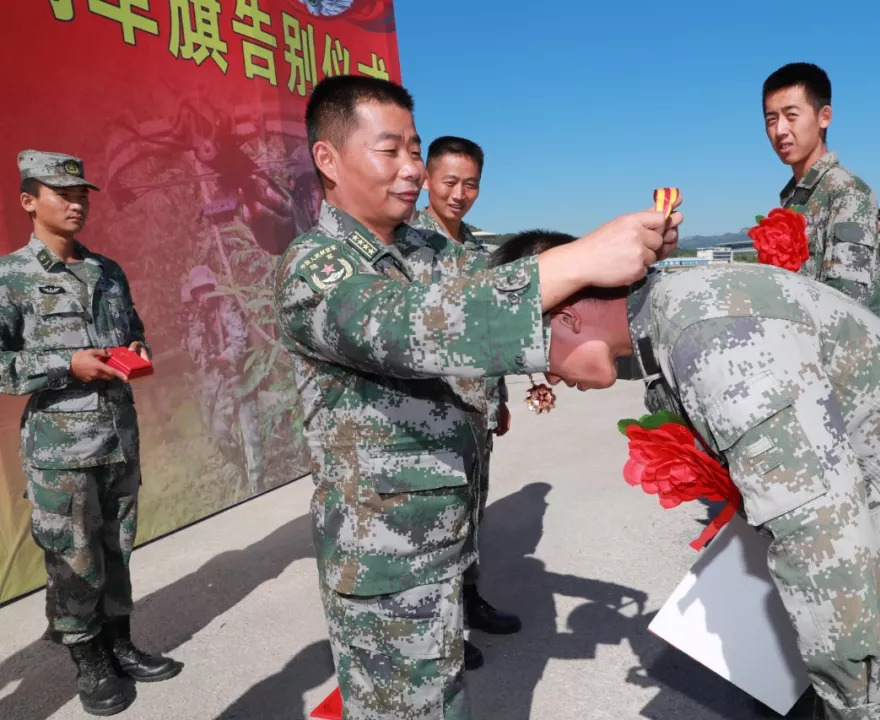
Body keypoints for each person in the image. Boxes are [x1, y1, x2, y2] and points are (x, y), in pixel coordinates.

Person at [490, 230, 880, 720]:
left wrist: (854, 702)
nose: (541, 380)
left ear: (564, 315)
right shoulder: (674, 310)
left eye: (528, 358)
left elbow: (823, 536)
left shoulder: (711, 337)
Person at [273, 75, 680, 720]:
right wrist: (580, 260)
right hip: (384, 557)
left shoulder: (421, 247)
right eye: (392, 152)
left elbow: (507, 283)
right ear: (328, 158)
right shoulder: (317, 267)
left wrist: (617, 265)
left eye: (415, 150)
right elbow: (410, 324)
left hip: (441, 535)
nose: (412, 170)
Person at [0, 150, 181, 716]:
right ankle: (89, 660)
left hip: (117, 440)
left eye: (82, 194)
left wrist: (137, 351)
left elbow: (133, 329)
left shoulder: (107, 270)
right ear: (30, 201)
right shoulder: (11, 277)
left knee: (117, 549)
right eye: (63, 193)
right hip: (62, 451)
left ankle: (121, 643)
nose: (77, 203)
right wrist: (65, 365)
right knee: (72, 557)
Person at [410, 136, 521, 663]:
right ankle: (442, 626)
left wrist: (499, 396)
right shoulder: (407, 245)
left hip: (476, 410)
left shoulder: (478, 251)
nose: (459, 194)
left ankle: (470, 597)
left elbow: (492, 331)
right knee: (438, 523)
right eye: (449, 182)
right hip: (430, 415)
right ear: (427, 179)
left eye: (470, 183)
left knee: (474, 510)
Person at [763, 62, 880, 309]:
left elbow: (849, 303)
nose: (780, 130)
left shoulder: (847, 191)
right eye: (771, 119)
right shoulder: (794, 197)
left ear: (824, 116)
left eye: (791, 116)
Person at [180, 264, 266, 494]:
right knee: (217, 432)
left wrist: (223, 357)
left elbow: (239, 344)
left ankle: (258, 487)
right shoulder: (199, 315)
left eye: (206, 289)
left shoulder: (226, 306)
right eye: (198, 291)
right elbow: (192, 346)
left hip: (241, 375)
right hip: (217, 380)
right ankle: (242, 466)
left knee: (250, 433)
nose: (203, 295)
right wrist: (198, 347)